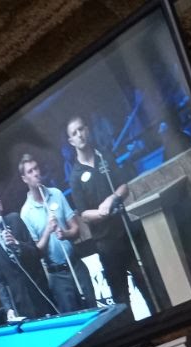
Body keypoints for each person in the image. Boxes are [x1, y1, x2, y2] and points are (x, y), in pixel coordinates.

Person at [67, 115, 155, 320]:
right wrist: (102, 212)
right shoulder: (75, 176)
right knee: (121, 298)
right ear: (71, 141)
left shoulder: (104, 156)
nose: (80, 135)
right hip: (106, 244)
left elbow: (124, 186)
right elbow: (84, 215)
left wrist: (112, 199)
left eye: (81, 129)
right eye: (74, 133)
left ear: (87, 130)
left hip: (126, 231)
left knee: (150, 284)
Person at [18, 153, 96, 313]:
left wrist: (65, 234)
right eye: (30, 171)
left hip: (76, 265)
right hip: (57, 277)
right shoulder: (25, 213)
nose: (36, 173)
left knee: (95, 311)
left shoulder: (56, 194)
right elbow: (36, 252)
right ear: (24, 179)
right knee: (75, 321)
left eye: (36, 168)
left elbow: (76, 229)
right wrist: (48, 230)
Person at [0, 184, 56, 322]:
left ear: (1, 204)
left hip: (40, 292)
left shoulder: (15, 220)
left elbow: (35, 252)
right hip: (21, 304)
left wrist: (17, 244)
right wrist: (8, 308)